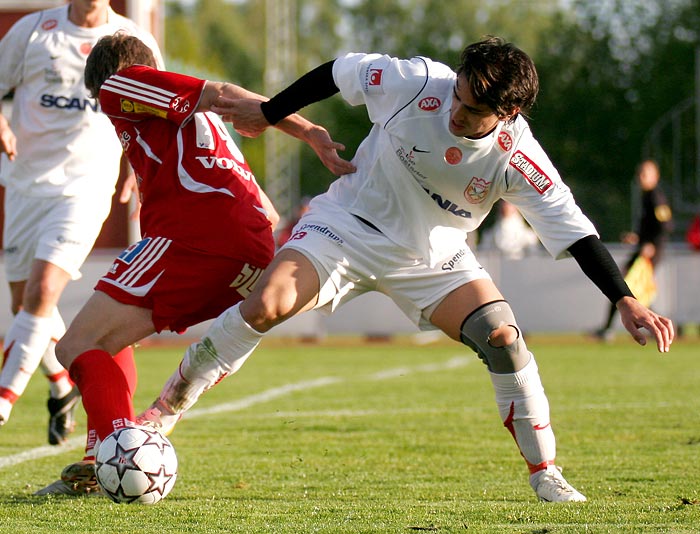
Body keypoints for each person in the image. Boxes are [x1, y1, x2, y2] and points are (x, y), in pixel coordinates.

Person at [61, 37, 673, 503]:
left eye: (472, 110)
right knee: (268, 302)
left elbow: (576, 228)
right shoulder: (418, 82)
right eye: (457, 96)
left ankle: (547, 475)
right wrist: (278, 114)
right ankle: (163, 413)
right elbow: (339, 71)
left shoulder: (521, 159)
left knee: (505, 342)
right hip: (345, 228)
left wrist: (625, 300)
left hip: (434, 259)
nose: (455, 112)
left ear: (508, 113)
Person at [32, 33, 354, 496]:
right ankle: (99, 457)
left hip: (197, 238)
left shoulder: (119, 84)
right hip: (251, 252)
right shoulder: (204, 124)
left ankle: (114, 458)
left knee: (75, 346)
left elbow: (222, 92)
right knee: (112, 338)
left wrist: (307, 132)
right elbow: (266, 209)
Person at [0, 0, 163, 445]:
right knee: (24, 307)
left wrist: (140, 168)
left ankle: (2, 404)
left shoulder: (132, 39)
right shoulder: (35, 31)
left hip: (87, 186)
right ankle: (62, 383)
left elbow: (158, 105)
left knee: (41, 291)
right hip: (25, 183)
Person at [594, 159, 672, 341]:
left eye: (645, 174)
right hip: (644, 249)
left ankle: (609, 329)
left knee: (623, 286)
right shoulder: (647, 197)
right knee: (631, 288)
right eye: (639, 174)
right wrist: (638, 237)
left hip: (649, 252)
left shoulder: (656, 197)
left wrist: (650, 244)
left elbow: (666, 225)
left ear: (655, 177)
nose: (641, 177)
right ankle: (656, 326)